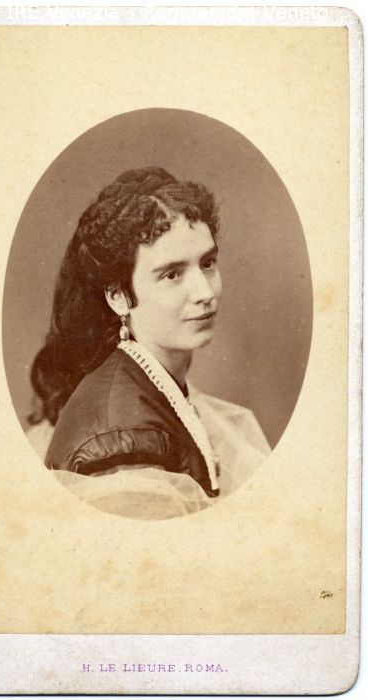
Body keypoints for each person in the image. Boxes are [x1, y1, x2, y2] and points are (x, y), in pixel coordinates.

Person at [27, 166, 270, 519]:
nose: (204, 292)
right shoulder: (124, 446)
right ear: (118, 296)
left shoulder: (155, 385)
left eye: (208, 263)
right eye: (172, 274)